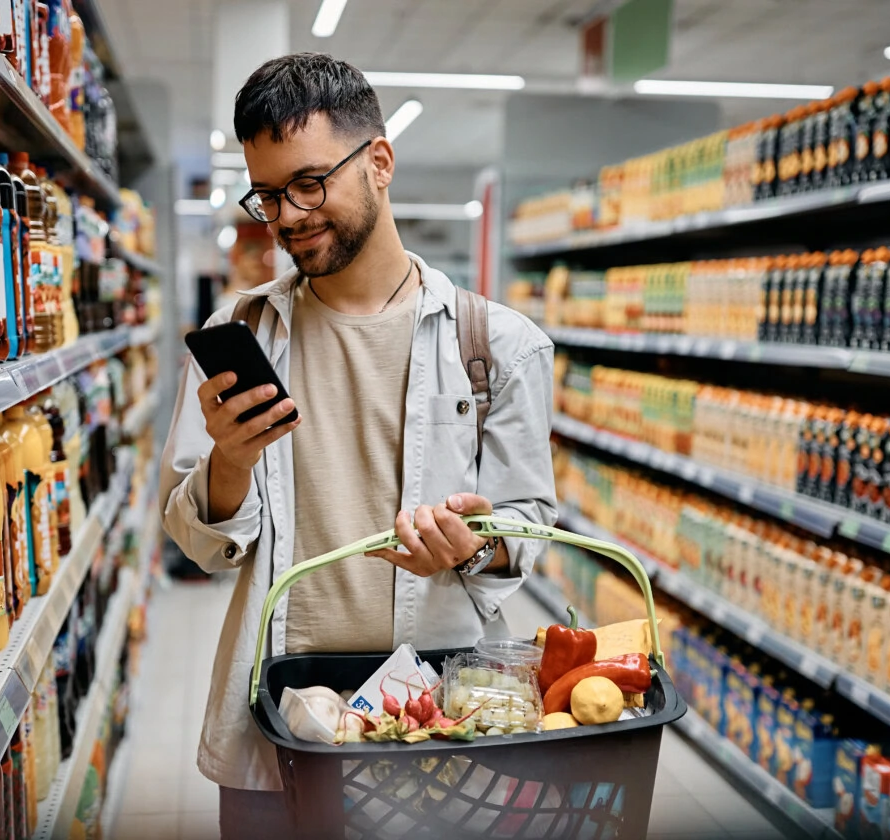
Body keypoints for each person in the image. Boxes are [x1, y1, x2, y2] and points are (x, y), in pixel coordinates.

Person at [159, 52, 556, 838]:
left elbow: (525, 536)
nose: (287, 216)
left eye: (309, 184)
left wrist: (469, 546)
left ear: (379, 161)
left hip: (439, 719)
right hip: (280, 715)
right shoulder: (236, 335)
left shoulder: (500, 346)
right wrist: (230, 462)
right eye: (268, 195)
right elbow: (199, 545)